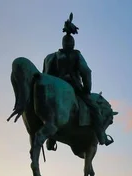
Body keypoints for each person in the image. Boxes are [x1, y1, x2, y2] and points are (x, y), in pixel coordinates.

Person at [43, 13, 113, 147]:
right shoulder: (76, 55)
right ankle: (101, 136)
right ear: (72, 44)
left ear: (63, 43)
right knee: (94, 109)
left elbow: (45, 76)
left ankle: (50, 139)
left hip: (54, 88)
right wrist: (86, 89)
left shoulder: (51, 57)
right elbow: (86, 71)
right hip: (74, 86)